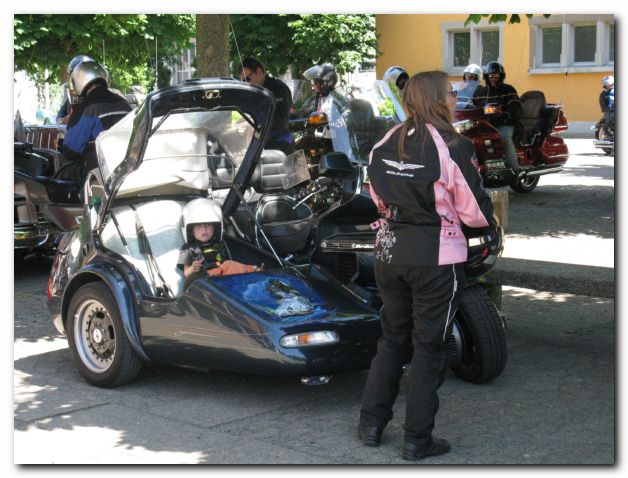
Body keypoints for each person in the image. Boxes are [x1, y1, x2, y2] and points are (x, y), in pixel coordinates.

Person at [358, 71, 494, 461]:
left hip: (388, 251)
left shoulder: (384, 141)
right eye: (451, 93)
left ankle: (371, 423)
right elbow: (472, 206)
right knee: (429, 347)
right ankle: (417, 439)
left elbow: (376, 197)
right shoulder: (454, 145)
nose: (455, 98)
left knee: (393, 337)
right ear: (437, 99)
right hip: (434, 256)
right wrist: (490, 228)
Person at [57, 60, 132, 183]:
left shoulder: (85, 108)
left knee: (60, 174)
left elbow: (72, 151)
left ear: (79, 81)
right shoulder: (123, 103)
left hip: (98, 171)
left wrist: (61, 145)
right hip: (125, 167)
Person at [178, 198, 261, 283]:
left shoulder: (220, 244)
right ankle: (255, 271)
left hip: (221, 278)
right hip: (203, 280)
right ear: (190, 230)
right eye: (199, 226)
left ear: (215, 228)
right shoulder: (188, 248)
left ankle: (257, 273)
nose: (204, 229)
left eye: (208, 224)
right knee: (229, 265)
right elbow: (186, 273)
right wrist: (193, 268)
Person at [471, 61, 523, 172]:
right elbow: (471, 105)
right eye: (491, 76)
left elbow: (516, 107)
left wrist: (505, 115)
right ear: (486, 77)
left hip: (504, 124)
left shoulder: (508, 90)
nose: (493, 79)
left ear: (501, 77)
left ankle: (515, 168)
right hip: (484, 124)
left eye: (496, 76)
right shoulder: (480, 91)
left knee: (503, 137)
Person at [238, 57, 295, 155]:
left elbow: (281, 120)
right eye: (243, 82)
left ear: (259, 71)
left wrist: (255, 124)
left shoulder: (279, 88)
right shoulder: (251, 92)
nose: (246, 84)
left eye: (247, 79)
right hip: (258, 144)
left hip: (279, 144)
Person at [56, 54, 95, 125]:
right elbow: (61, 114)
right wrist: (61, 121)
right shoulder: (73, 96)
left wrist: (73, 119)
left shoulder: (96, 95)